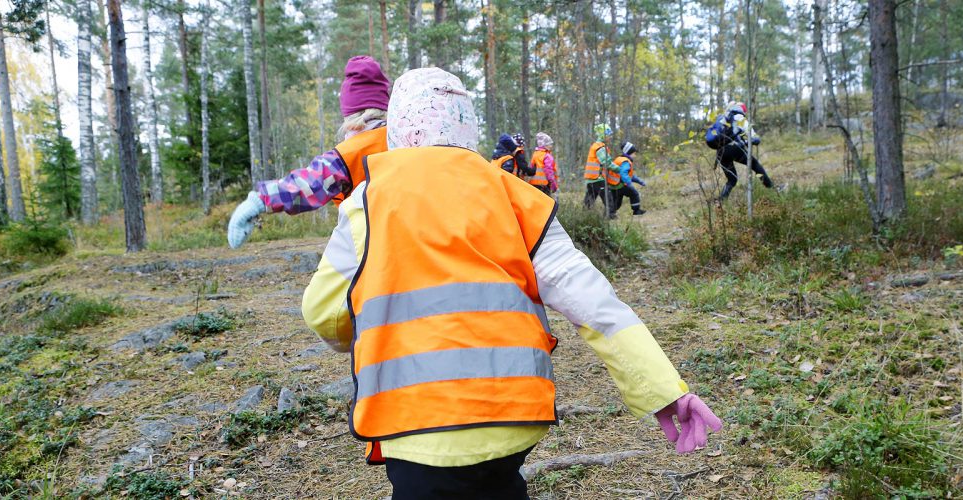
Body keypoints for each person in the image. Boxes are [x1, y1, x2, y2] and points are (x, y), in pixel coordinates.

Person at [300, 67, 722, 499]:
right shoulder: (518, 198)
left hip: (413, 421)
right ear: (468, 128)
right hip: (512, 416)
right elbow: (596, 304)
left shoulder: (366, 204)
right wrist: (664, 390)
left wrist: (360, 330)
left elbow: (323, 313)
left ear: (399, 129)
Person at [226, 56, 390, 249]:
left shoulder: (349, 155)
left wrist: (259, 201)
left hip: (374, 249)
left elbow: (309, 184)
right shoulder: (409, 141)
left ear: (350, 115)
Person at [704, 102, 774, 201]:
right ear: (742, 110)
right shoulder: (740, 118)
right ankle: (772, 188)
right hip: (734, 148)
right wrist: (750, 141)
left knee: (732, 180)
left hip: (720, 152)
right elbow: (754, 138)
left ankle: (720, 201)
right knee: (754, 164)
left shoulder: (722, 118)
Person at [607, 141, 647, 217]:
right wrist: (629, 184)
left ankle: (610, 214)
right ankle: (636, 210)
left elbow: (630, 175)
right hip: (621, 184)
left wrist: (640, 181)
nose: (635, 155)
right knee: (634, 194)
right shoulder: (626, 162)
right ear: (630, 153)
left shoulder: (619, 159)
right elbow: (624, 174)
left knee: (617, 202)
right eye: (634, 153)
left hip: (613, 185)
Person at [582, 124, 615, 210]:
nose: (610, 137)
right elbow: (606, 162)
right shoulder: (600, 147)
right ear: (603, 135)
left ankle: (584, 216)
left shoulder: (596, 146)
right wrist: (618, 169)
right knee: (608, 199)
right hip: (598, 179)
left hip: (591, 179)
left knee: (588, 201)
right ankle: (611, 216)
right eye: (609, 135)